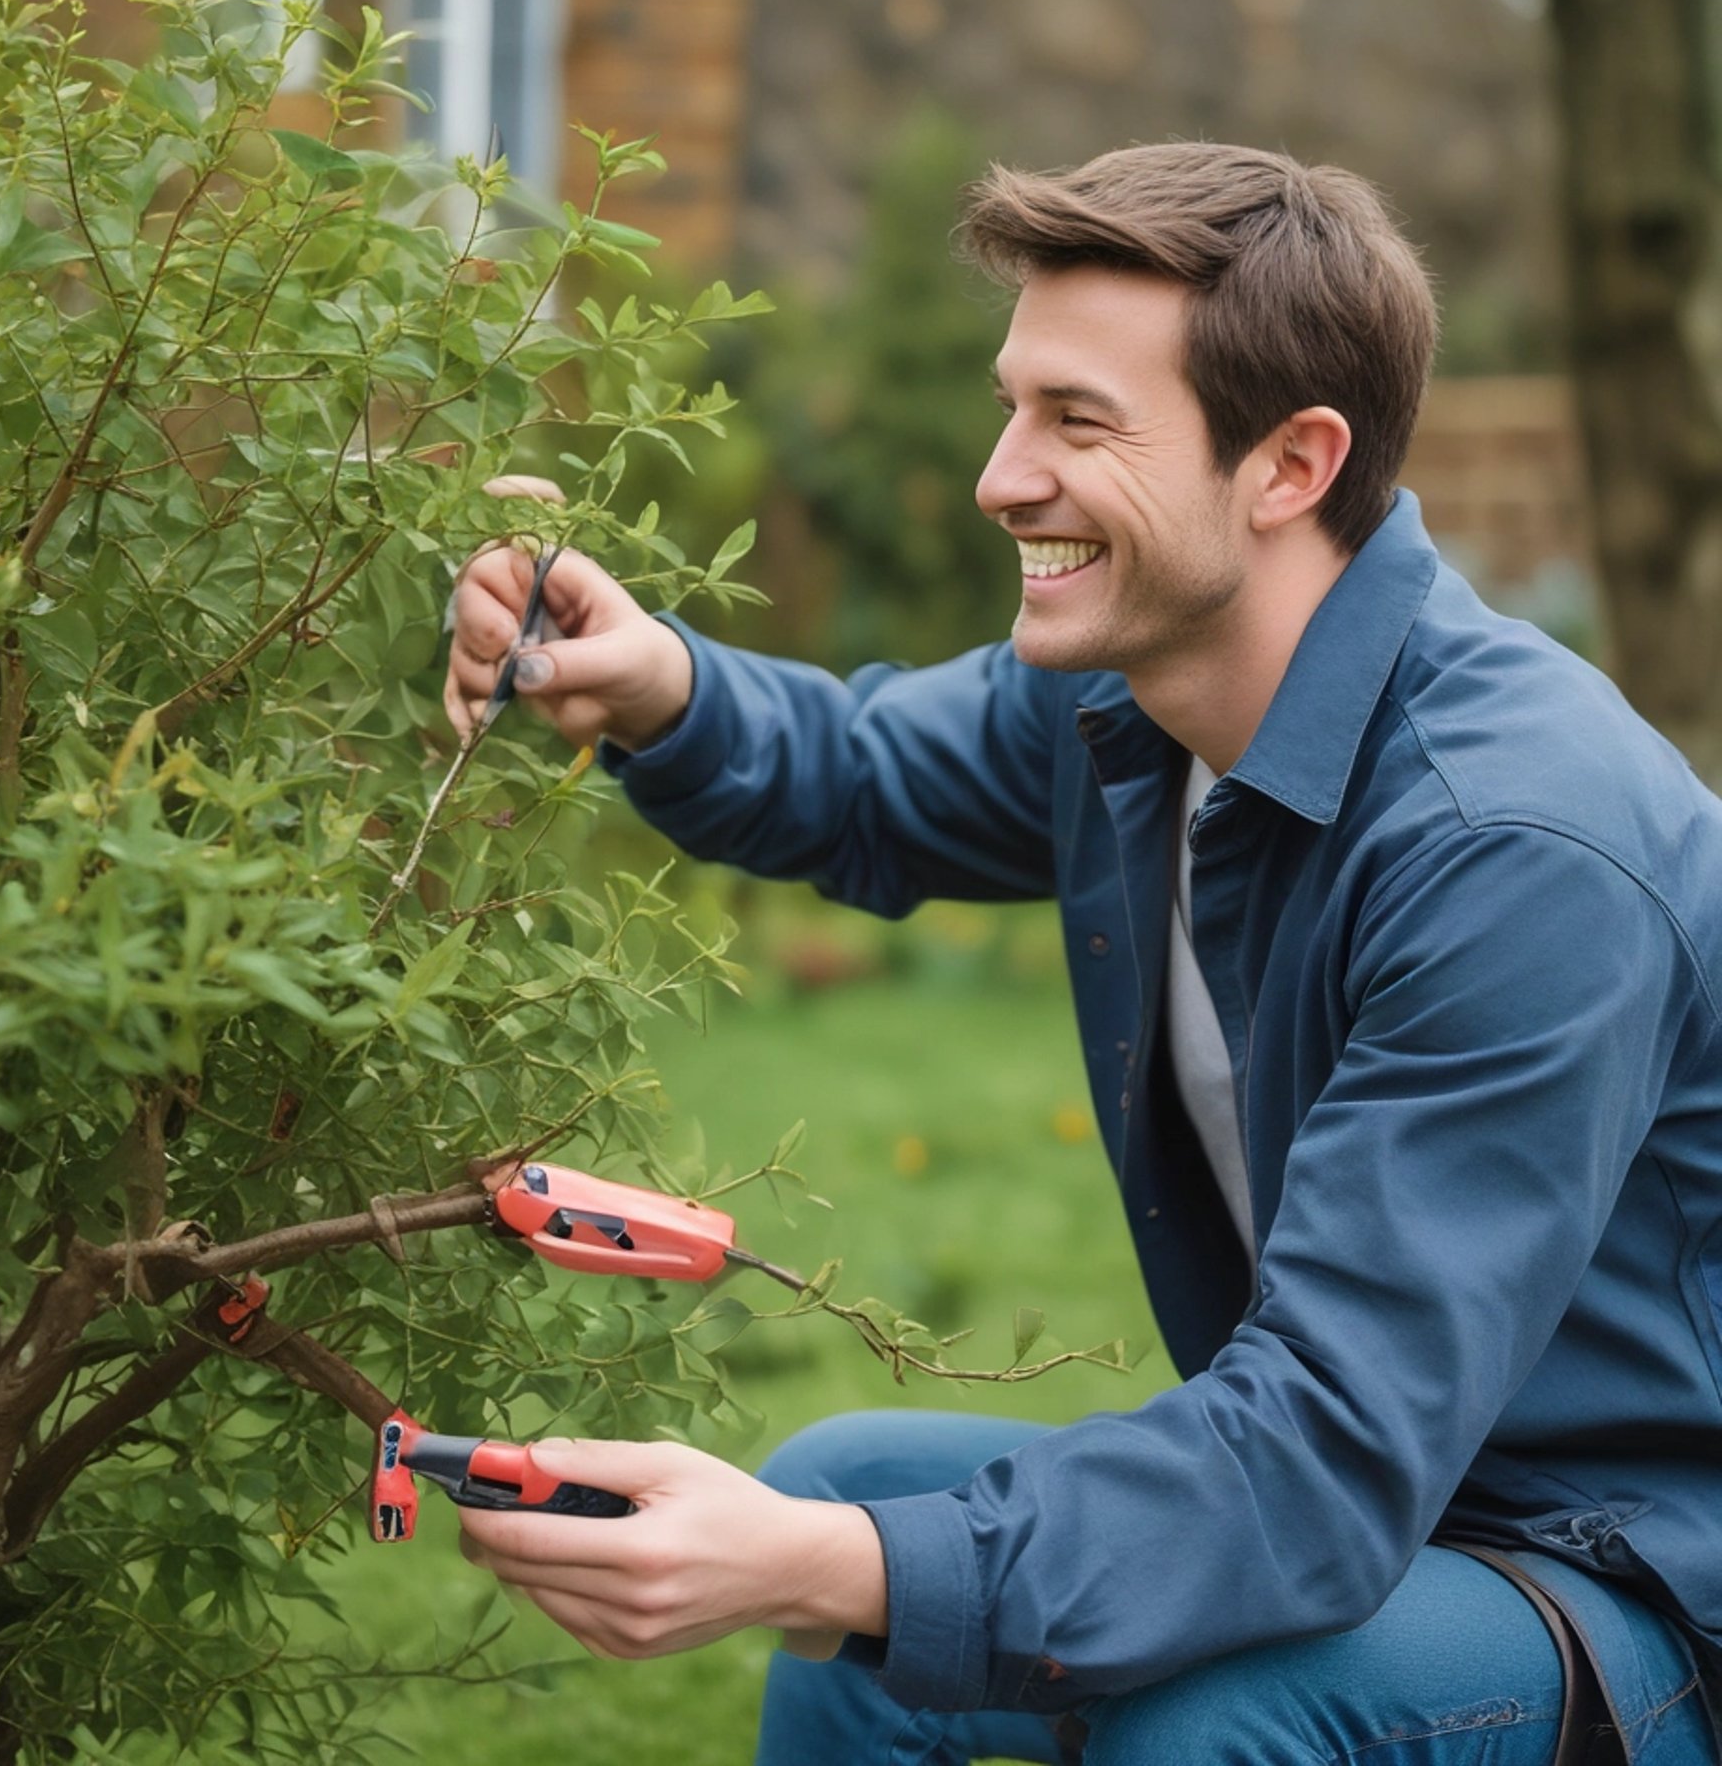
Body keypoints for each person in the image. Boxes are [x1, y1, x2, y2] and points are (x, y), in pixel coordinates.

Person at [443, 143, 1722, 1765]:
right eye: (1011, 404)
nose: (999, 476)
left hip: (1630, 1579)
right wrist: (655, 686)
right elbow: (868, 773)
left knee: (1191, 1708)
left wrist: (834, 1575)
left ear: (1290, 464)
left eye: (1078, 423)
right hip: (1371, 1496)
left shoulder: (1514, 848)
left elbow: (1323, 1452)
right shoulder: (1137, 691)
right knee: (848, 1495)